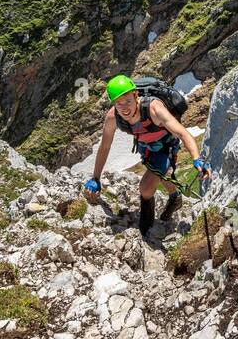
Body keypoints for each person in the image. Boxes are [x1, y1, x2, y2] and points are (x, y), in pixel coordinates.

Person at [84, 75, 210, 236]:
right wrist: (95, 178)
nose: (124, 108)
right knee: (163, 174)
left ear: (136, 95)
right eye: (119, 103)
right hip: (146, 148)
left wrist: (196, 158)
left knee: (145, 188)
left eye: (128, 101)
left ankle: (147, 225)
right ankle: (175, 196)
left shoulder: (154, 109)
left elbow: (182, 133)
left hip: (166, 147)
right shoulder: (112, 117)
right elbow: (104, 147)